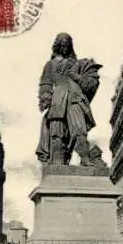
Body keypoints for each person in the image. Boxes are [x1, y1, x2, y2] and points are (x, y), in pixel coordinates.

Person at [36, 32, 102, 166]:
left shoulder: (78, 63)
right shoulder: (50, 64)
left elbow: (89, 82)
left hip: (75, 97)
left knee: (80, 128)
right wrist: (45, 96)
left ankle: (85, 158)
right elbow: (45, 83)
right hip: (58, 99)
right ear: (58, 46)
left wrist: (82, 78)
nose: (65, 47)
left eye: (67, 45)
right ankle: (58, 161)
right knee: (57, 132)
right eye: (62, 44)